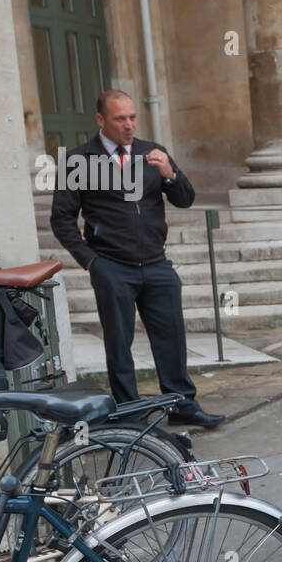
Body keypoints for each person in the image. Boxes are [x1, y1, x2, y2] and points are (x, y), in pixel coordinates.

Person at [50, 89, 223, 427]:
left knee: (171, 336)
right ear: (101, 120)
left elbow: (185, 199)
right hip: (111, 266)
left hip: (156, 264)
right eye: (120, 118)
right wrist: (91, 261)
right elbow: (62, 219)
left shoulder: (151, 153)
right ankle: (130, 411)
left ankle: (183, 405)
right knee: (119, 342)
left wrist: (170, 173)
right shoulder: (77, 161)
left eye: (132, 117)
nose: (128, 125)